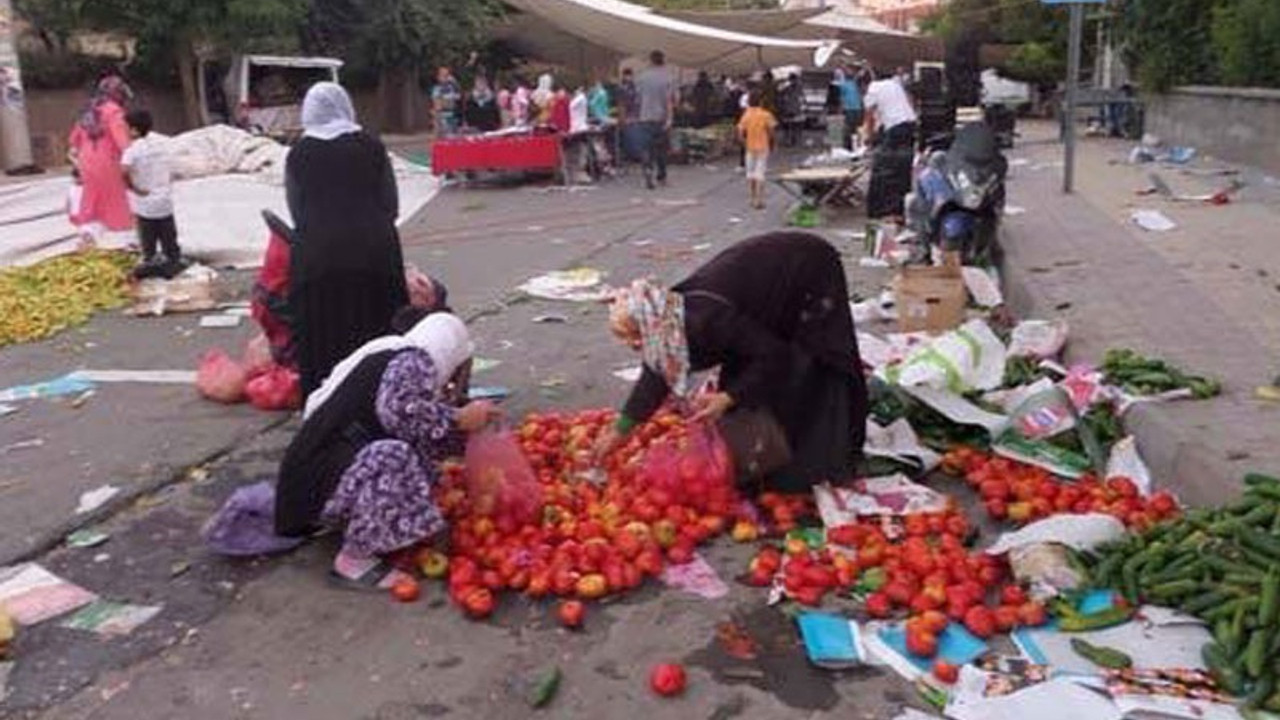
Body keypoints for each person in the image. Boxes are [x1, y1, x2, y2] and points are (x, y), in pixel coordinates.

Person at [596, 232, 868, 494]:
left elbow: (774, 355)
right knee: (750, 383)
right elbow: (655, 376)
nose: (635, 347)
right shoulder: (669, 324)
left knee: (808, 368)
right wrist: (620, 431)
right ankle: (774, 462)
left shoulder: (705, 321)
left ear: (651, 326)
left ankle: (820, 462)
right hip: (765, 288)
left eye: (637, 339)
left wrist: (728, 397)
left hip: (808, 271)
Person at [275, 312, 503, 586]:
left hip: (322, 477)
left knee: (413, 461)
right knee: (394, 456)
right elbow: (398, 414)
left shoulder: (397, 356)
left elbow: (412, 426)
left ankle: (362, 524)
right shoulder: (414, 361)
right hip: (317, 480)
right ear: (449, 349)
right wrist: (458, 419)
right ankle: (354, 561)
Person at [286, 82, 408, 398]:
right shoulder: (370, 146)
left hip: (317, 258)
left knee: (323, 333)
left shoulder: (299, 154)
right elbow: (390, 204)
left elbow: (297, 211)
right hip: (374, 253)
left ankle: (325, 408)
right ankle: (385, 403)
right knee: (377, 330)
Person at [121, 109, 184, 279]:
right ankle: (173, 264)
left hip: (145, 203)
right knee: (169, 238)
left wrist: (134, 189)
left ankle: (151, 266)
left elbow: (123, 172)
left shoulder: (132, 150)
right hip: (164, 201)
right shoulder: (162, 142)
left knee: (149, 241)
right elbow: (176, 164)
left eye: (125, 127)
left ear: (134, 130)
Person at [67, 75, 134, 237]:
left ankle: (88, 236)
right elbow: (122, 142)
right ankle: (123, 239)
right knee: (115, 201)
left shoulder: (89, 110)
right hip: (108, 162)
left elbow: (73, 140)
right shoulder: (114, 112)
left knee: (92, 201)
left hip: (86, 163)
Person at [635, 50, 675, 190]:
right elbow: (670, 100)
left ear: (650, 61)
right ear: (663, 60)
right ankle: (661, 176)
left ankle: (648, 172)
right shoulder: (668, 78)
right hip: (661, 118)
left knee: (646, 148)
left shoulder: (641, 77)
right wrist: (669, 118)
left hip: (645, 117)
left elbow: (638, 99)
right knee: (661, 149)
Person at [737, 91, 777, 210]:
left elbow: (740, 132)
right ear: (761, 102)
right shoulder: (766, 115)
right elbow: (771, 132)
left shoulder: (746, 115)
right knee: (760, 173)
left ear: (749, 102)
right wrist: (772, 143)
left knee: (750, 173)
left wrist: (744, 143)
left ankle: (753, 198)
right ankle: (760, 200)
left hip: (750, 147)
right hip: (763, 147)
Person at [834, 68, 864, 151]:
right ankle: (851, 145)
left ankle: (854, 145)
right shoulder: (849, 84)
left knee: (853, 128)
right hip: (853, 109)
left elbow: (842, 98)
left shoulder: (852, 84)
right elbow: (842, 98)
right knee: (852, 128)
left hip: (852, 109)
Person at [431, 66, 461, 137]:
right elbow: (438, 105)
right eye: (443, 75)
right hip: (443, 118)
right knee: (445, 137)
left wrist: (455, 83)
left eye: (447, 75)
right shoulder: (437, 89)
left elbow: (459, 97)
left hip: (453, 116)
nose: (446, 78)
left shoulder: (452, 88)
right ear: (438, 77)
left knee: (454, 137)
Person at [779, 72, 805, 147]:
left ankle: (794, 140)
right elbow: (782, 98)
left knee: (795, 126)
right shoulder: (786, 89)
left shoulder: (799, 88)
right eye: (792, 80)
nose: (794, 81)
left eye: (794, 80)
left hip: (796, 110)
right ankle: (788, 141)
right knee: (788, 126)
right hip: (789, 110)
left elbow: (802, 99)